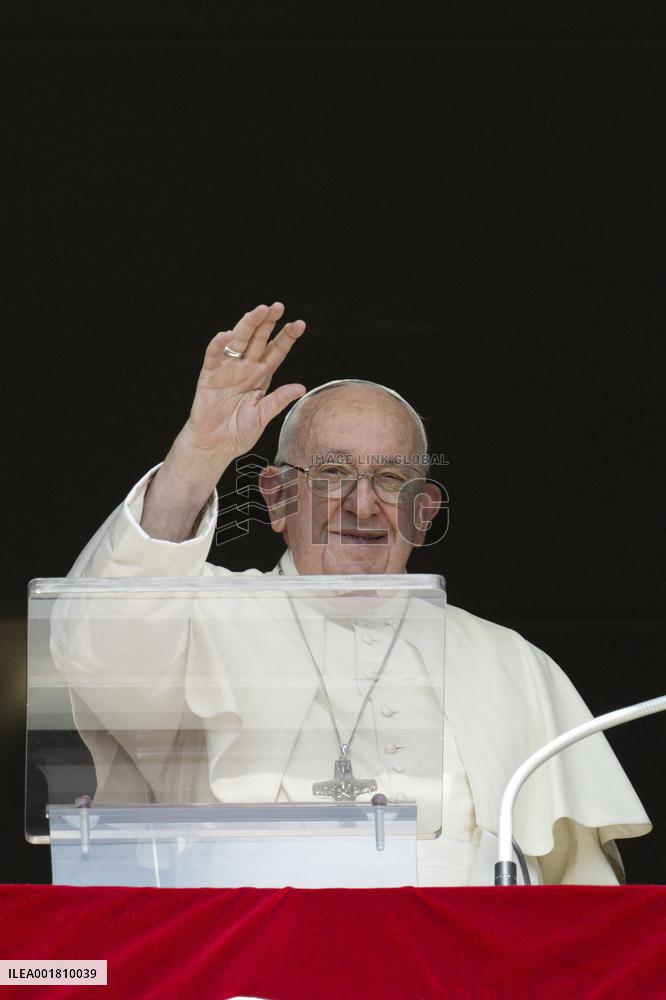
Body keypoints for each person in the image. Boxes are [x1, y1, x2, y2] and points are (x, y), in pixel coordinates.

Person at [52, 302, 651, 886]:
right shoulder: (197, 615)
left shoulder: (511, 664)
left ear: (423, 512)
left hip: (458, 978)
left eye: (392, 480)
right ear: (278, 498)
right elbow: (97, 644)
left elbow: (581, 898)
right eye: (333, 473)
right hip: (250, 971)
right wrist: (198, 457)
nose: (362, 505)